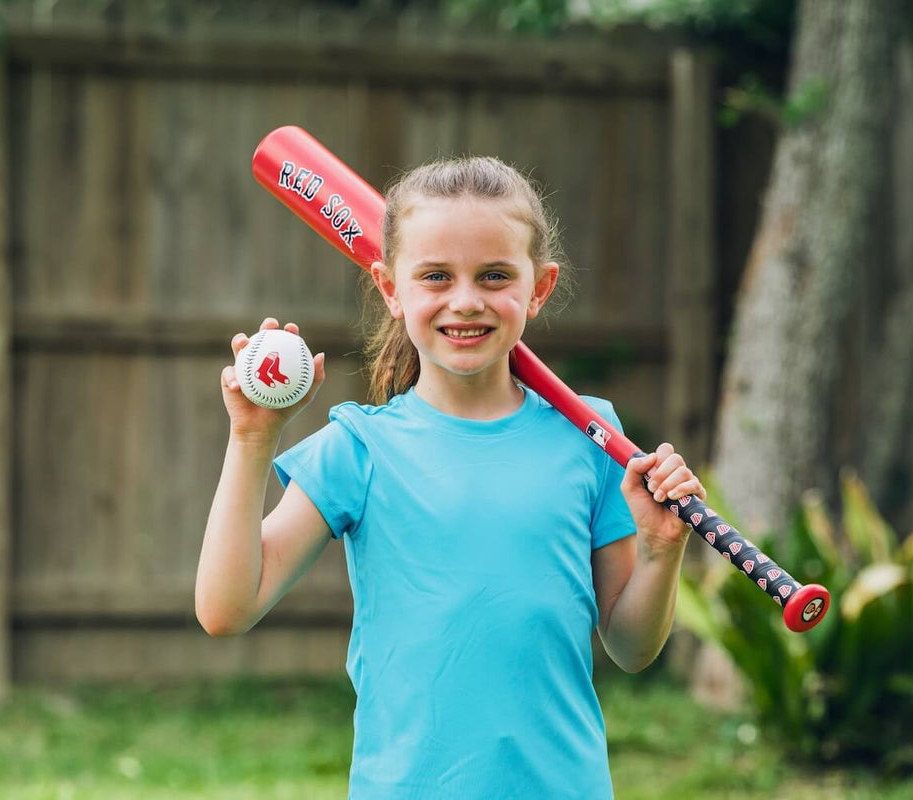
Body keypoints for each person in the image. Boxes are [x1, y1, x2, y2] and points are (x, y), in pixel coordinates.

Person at [196, 156, 705, 799]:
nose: (465, 301)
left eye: (495, 276)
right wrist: (251, 437)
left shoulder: (589, 438)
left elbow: (631, 649)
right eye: (435, 276)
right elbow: (225, 608)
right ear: (390, 287)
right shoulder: (360, 448)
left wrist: (661, 551)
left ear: (539, 287)